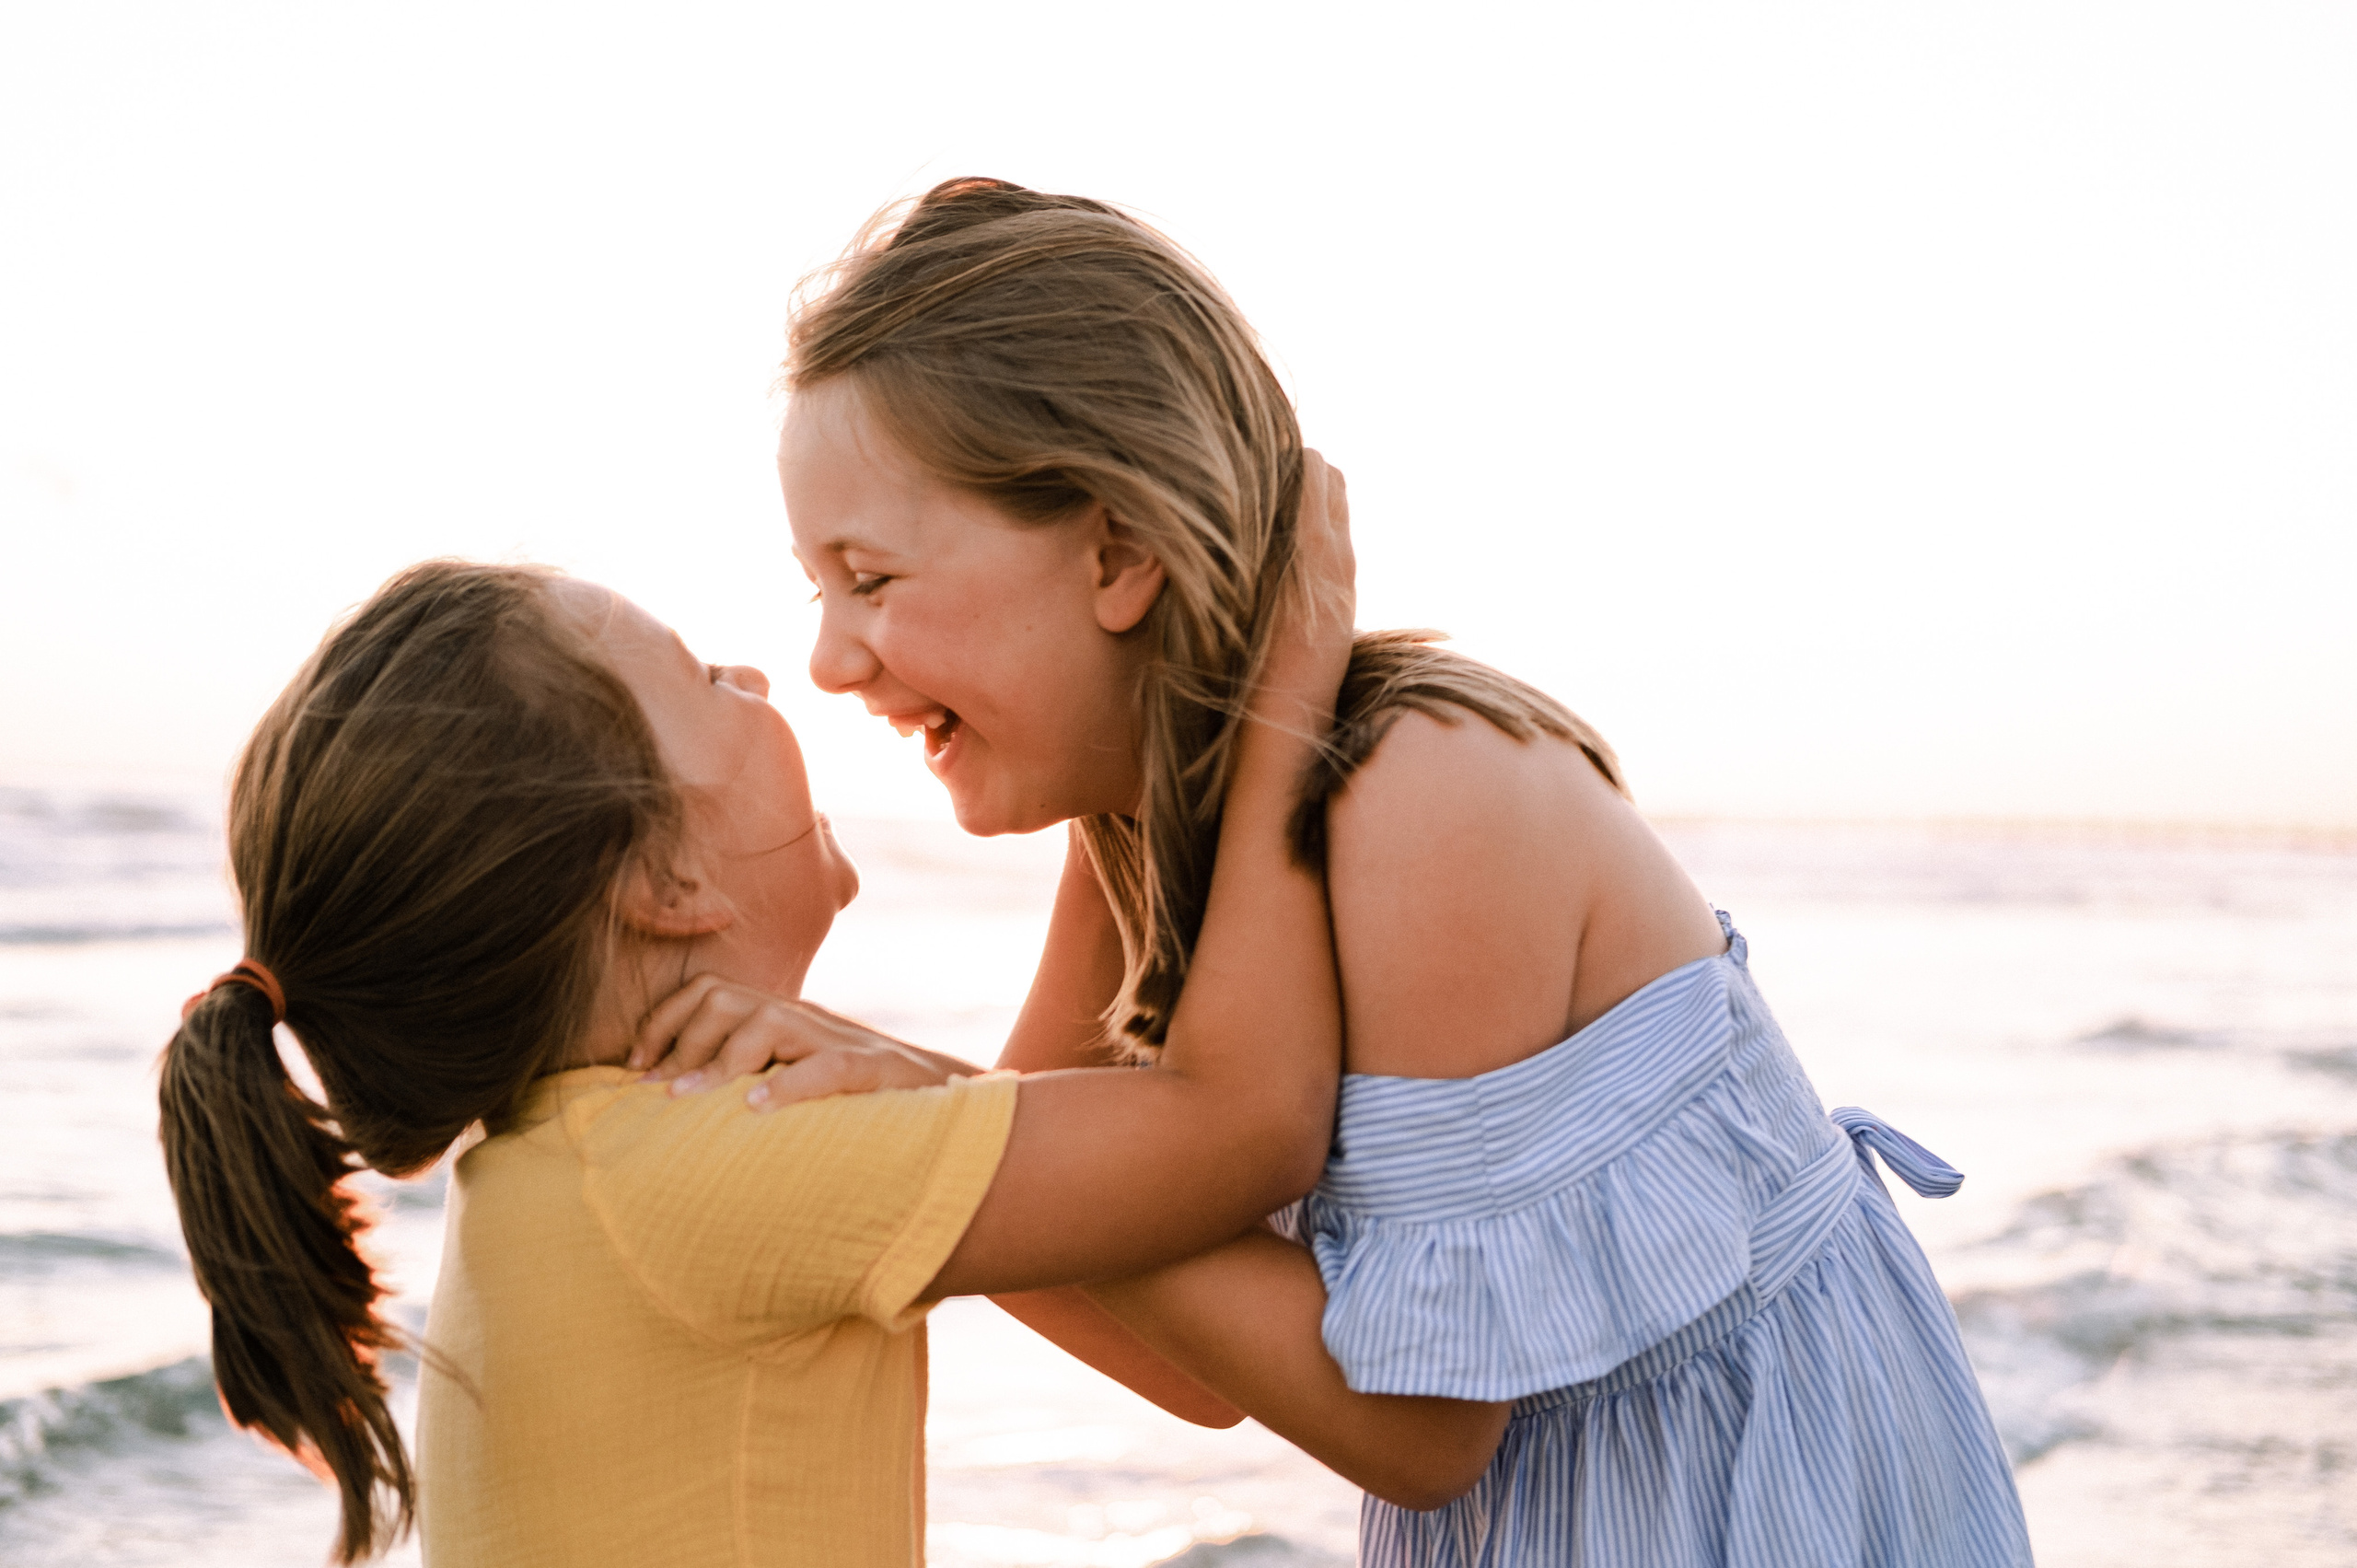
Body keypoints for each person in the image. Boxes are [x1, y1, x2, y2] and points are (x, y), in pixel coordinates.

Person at [657, 176, 2034, 1565]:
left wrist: (929, 1107)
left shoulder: (1419, 798)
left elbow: (1421, 1433)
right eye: (814, 591)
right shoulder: (1138, 826)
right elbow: (1176, 1356)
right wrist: (853, 1094)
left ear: (1118, 552)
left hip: (1739, 1510)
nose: (830, 661)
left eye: (872, 579)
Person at [157, 517, 1469, 1567]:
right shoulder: (723, 1164)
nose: (763, 676)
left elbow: (1188, 1363)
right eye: (705, 679)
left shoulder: (587, 1169)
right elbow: (1244, 1124)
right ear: (665, 886)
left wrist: (1108, 755)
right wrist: (1286, 687)